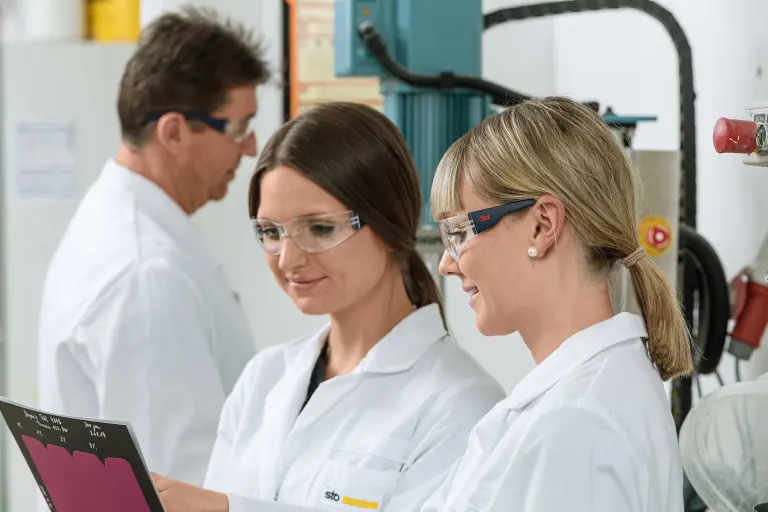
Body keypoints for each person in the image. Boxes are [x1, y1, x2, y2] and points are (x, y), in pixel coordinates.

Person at [152, 101, 506, 512]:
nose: (287, 259)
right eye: (270, 231)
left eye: (318, 228)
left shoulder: (461, 403)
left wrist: (227, 509)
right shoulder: (264, 379)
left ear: (391, 225)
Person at [421, 96, 695, 512]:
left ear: (542, 225)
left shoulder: (575, 424)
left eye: (459, 233)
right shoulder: (589, 397)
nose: (445, 264)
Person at [37, 7, 267, 488]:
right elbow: (177, 486)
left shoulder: (120, 225)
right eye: (238, 127)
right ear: (175, 132)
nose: (250, 148)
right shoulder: (147, 276)